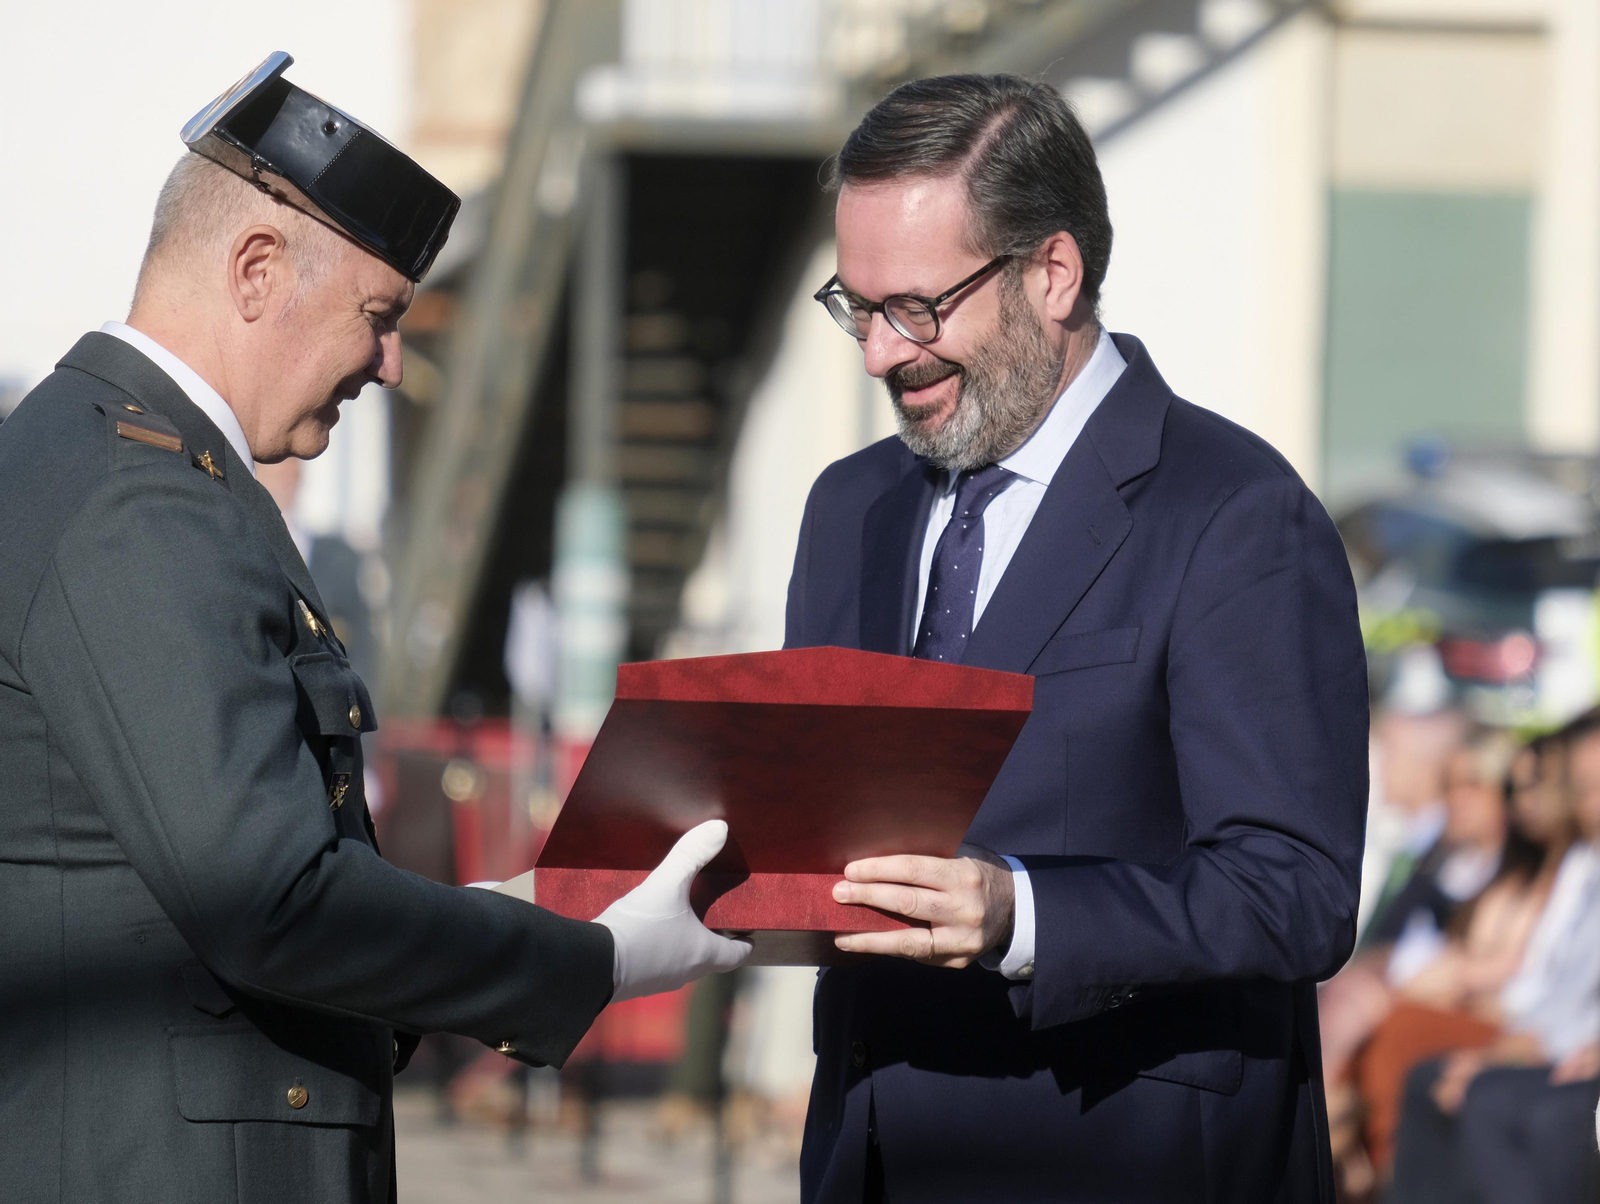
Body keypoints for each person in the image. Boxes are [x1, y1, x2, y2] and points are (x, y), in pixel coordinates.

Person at [0, 54, 746, 1204]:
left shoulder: (104, 462)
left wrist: (493, 915)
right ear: (256, 271)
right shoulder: (137, 505)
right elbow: (268, 899)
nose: (391, 365)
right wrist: (588, 962)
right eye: (378, 317)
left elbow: (187, 879)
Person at [785, 73, 1369, 1201]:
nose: (876, 354)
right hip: (875, 1150)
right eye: (855, 306)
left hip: (1125, 1158)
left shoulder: (1234, 511)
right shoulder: (848, 505)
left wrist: (1022, 914)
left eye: (915, 306)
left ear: (1051, 272)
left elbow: (1295, 888)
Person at [1389, 709, 1600, 1203]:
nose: (1533, 803)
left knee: (1502, 1105)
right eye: (1584, 787)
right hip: (1551, 1034)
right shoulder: (1577, 864)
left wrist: (1515, 1046)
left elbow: (1560, 988)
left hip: (1556, 1041)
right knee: (1431, 1078)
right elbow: (1570, 986)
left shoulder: (1572, 867)